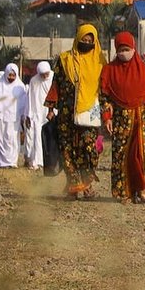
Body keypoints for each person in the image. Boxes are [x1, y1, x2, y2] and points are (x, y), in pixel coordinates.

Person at [99, 31, 145, 203]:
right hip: (123, 123)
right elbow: (104, 98)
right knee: (123, 157)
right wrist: (107, 117)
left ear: (133, 48)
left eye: (127, 49)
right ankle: (125, 192)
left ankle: (142, 189)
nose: (123, 53)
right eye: (120, 50)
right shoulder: (110, 70)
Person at [46, 24, 106, 197]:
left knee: (89, 148)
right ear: (77, 39)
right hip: (66, 112)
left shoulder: (101, 61)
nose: (86, 43)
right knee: (67, 149)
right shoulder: (65, 59)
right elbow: (55, 84)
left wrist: (107, 110)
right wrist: (51, 108)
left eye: (90, 41)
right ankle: (74, 186)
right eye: (83, 40)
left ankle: (87, 184)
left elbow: (104, 87)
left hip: (90, 112)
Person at [0, 63, 28, 168]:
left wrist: (23, 118)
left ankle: (11, 162)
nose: (11, 78)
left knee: (11, 139)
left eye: (13, 76)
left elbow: (23, 104)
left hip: (14, 119)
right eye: (9, 75)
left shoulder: (20, 87)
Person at [23, 61, 54, 170]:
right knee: (37, 137)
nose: (45, 76)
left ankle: (52, 162)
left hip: (51, 112)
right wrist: (28, 114)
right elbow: (30, 99)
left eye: (46, 73)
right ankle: (38, 161)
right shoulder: (34, 81)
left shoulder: (54, 78)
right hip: (37, 113)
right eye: (42, 74)